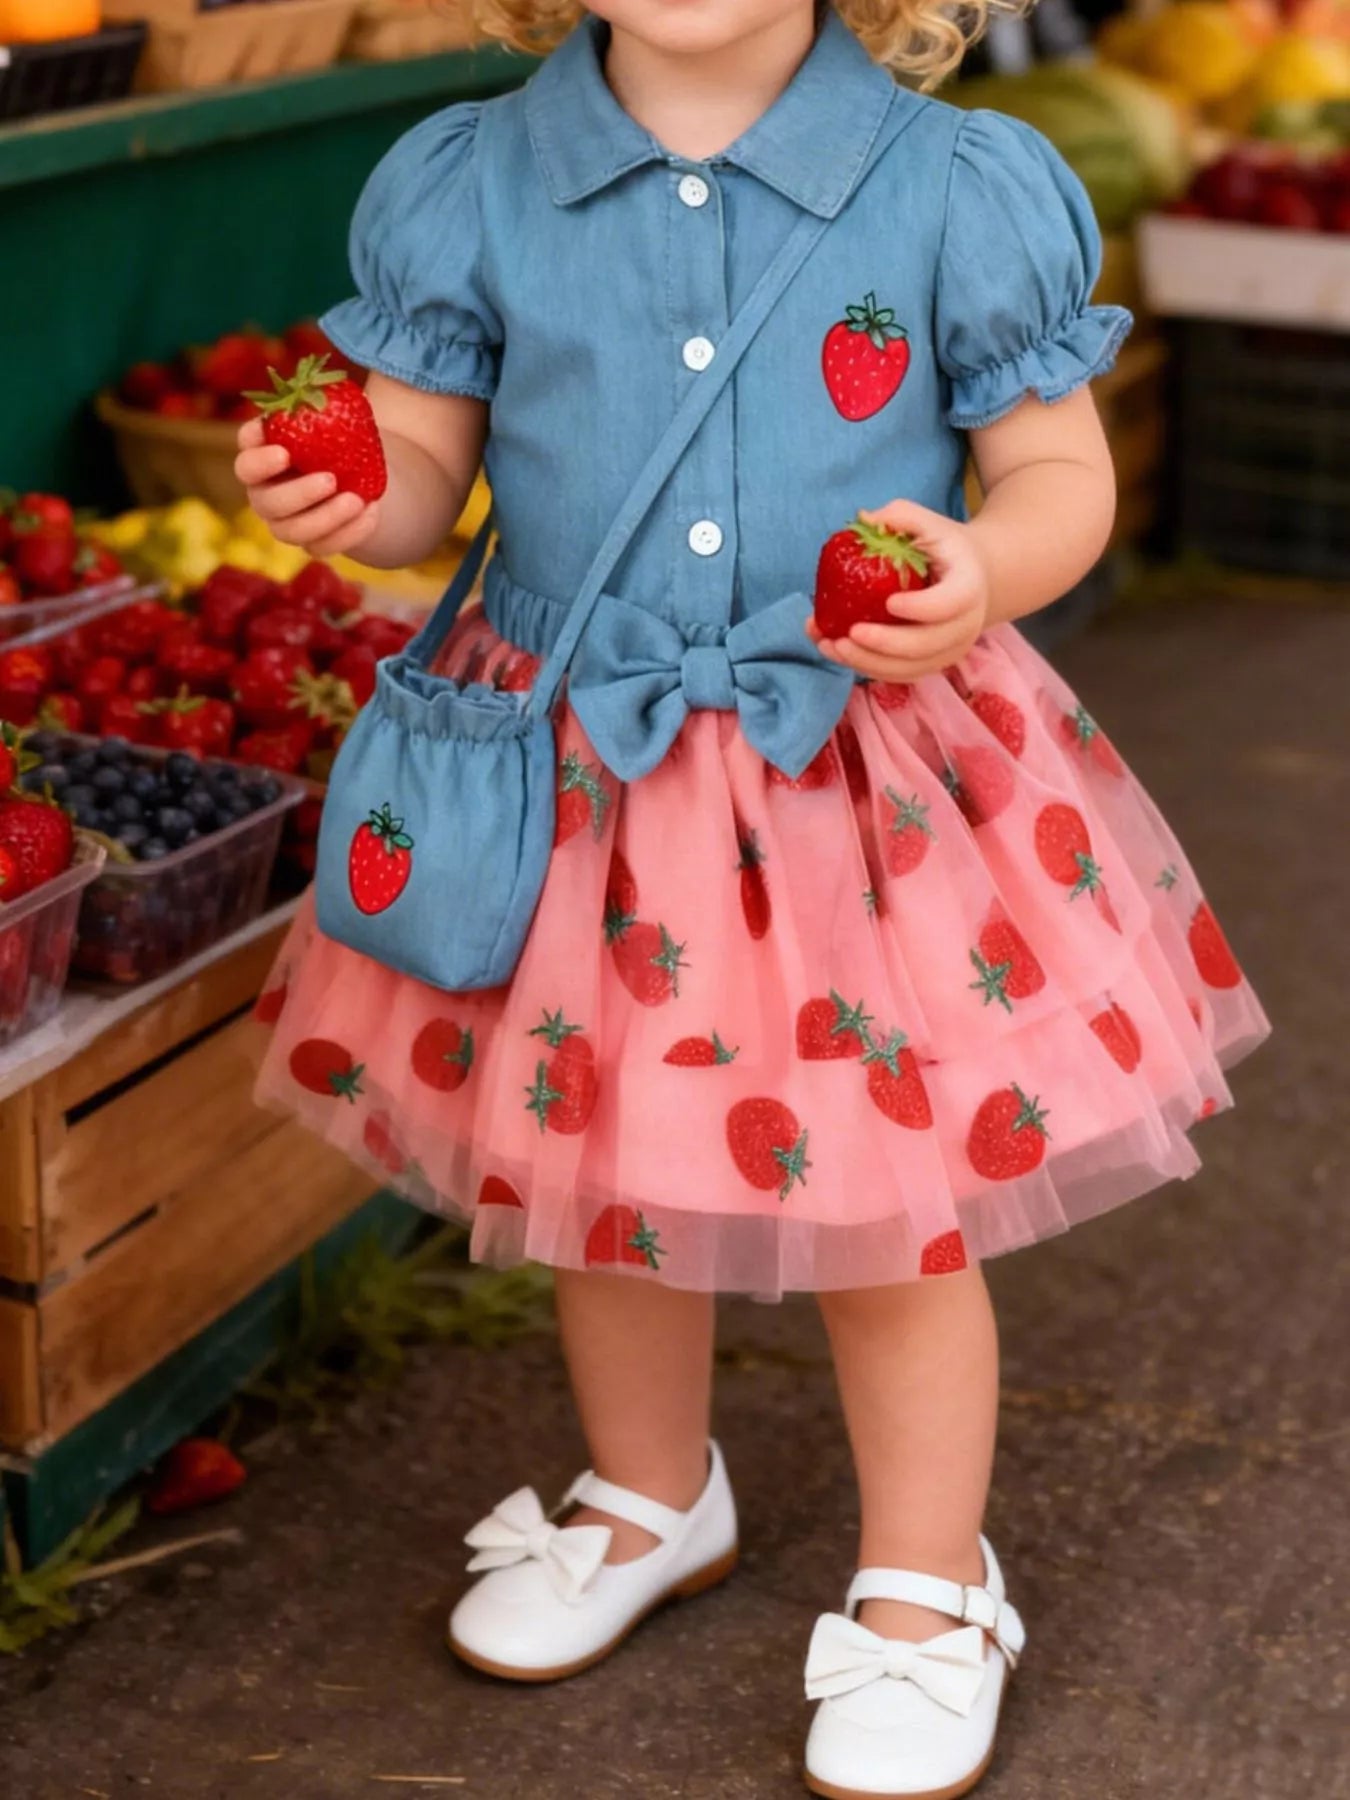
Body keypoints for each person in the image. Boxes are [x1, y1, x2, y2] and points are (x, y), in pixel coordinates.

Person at [238, 2, 1269, 1792]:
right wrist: (350, 489)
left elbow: (1052, 472)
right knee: (603, 1157)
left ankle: (926, 1588)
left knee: (883, 1200)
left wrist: (984, 561)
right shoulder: (471, 180)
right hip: (587, 776)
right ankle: (654, 1493)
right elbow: (422, 472)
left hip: (855, 770)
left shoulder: (959, 185)